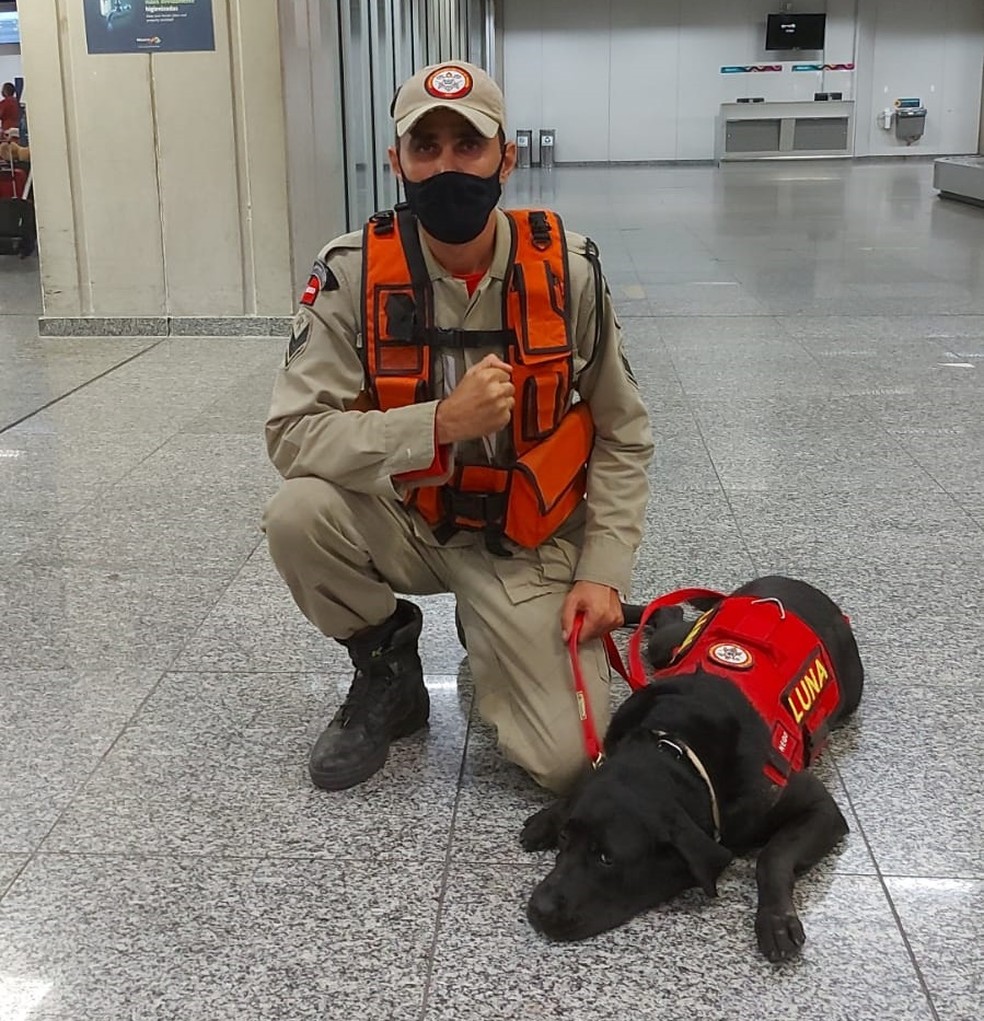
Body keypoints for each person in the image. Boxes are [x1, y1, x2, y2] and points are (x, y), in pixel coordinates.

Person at [263, 60, 653, 795]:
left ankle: (497, 633)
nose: (447, 166)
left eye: (468, 145)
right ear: (397, 162)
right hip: (405, 518)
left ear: (507, 157)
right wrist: (438, 423)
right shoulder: (350, 274)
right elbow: (291, 435)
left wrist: (604, 572)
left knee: (567, 763)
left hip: (524, 540)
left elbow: (624, 432)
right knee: (296, 514)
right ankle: (388, 665)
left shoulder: (566, 273)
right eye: (427, 146)